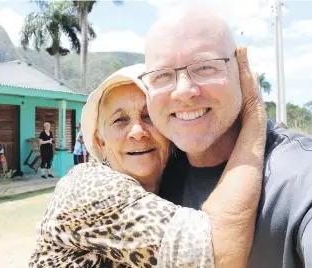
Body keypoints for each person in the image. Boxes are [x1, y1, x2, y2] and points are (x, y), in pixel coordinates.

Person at [140, 4, 312, 268]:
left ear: (242, 70)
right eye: (162, 75)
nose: (184, 91)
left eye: (205, 67)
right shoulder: (150, 180)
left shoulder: (308, 179)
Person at [29, 55, 266, 268]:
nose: (137, 131)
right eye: (120, 120)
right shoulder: (89, 188)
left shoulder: (171, 185)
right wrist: (254, 111)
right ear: (100, 143)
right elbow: (217, 255)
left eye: (149, 116)